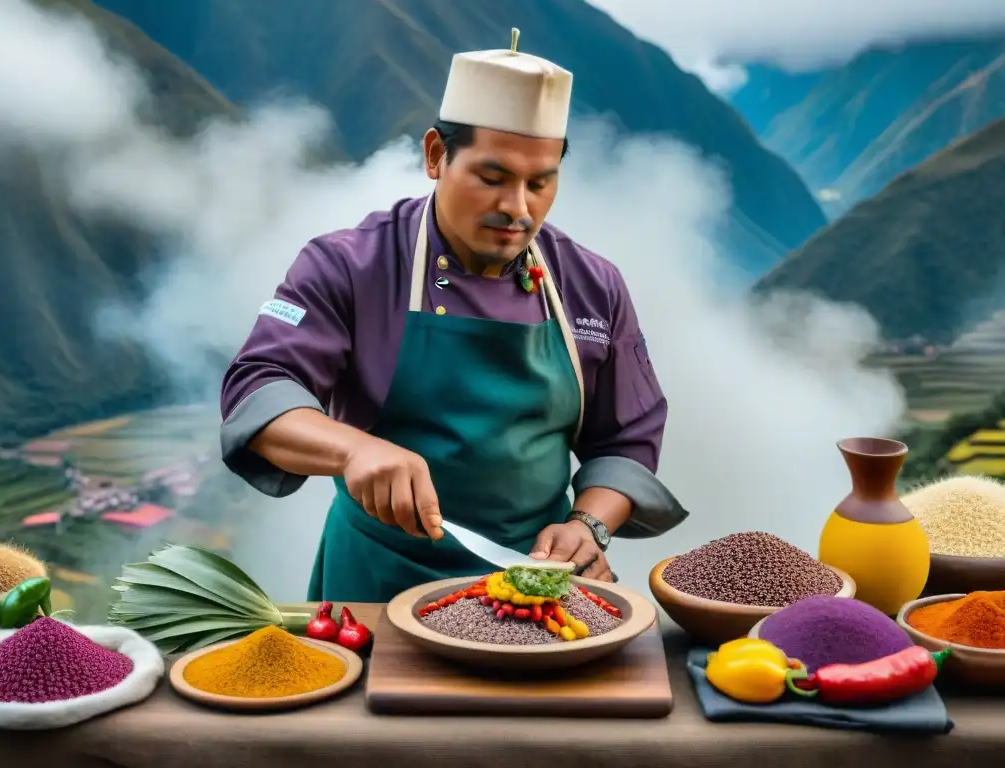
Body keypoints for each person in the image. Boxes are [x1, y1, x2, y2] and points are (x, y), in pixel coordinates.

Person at [219, 29, 688, 603]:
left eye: (540, 183)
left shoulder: (592, 286)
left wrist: (585, 526)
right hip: (376, 587)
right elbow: (259, 390)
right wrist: (354, 449)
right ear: (436, 155)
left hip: (533, 584)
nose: (517, 209)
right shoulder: (349, 265)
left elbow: (626, 440)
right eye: (492, 179)